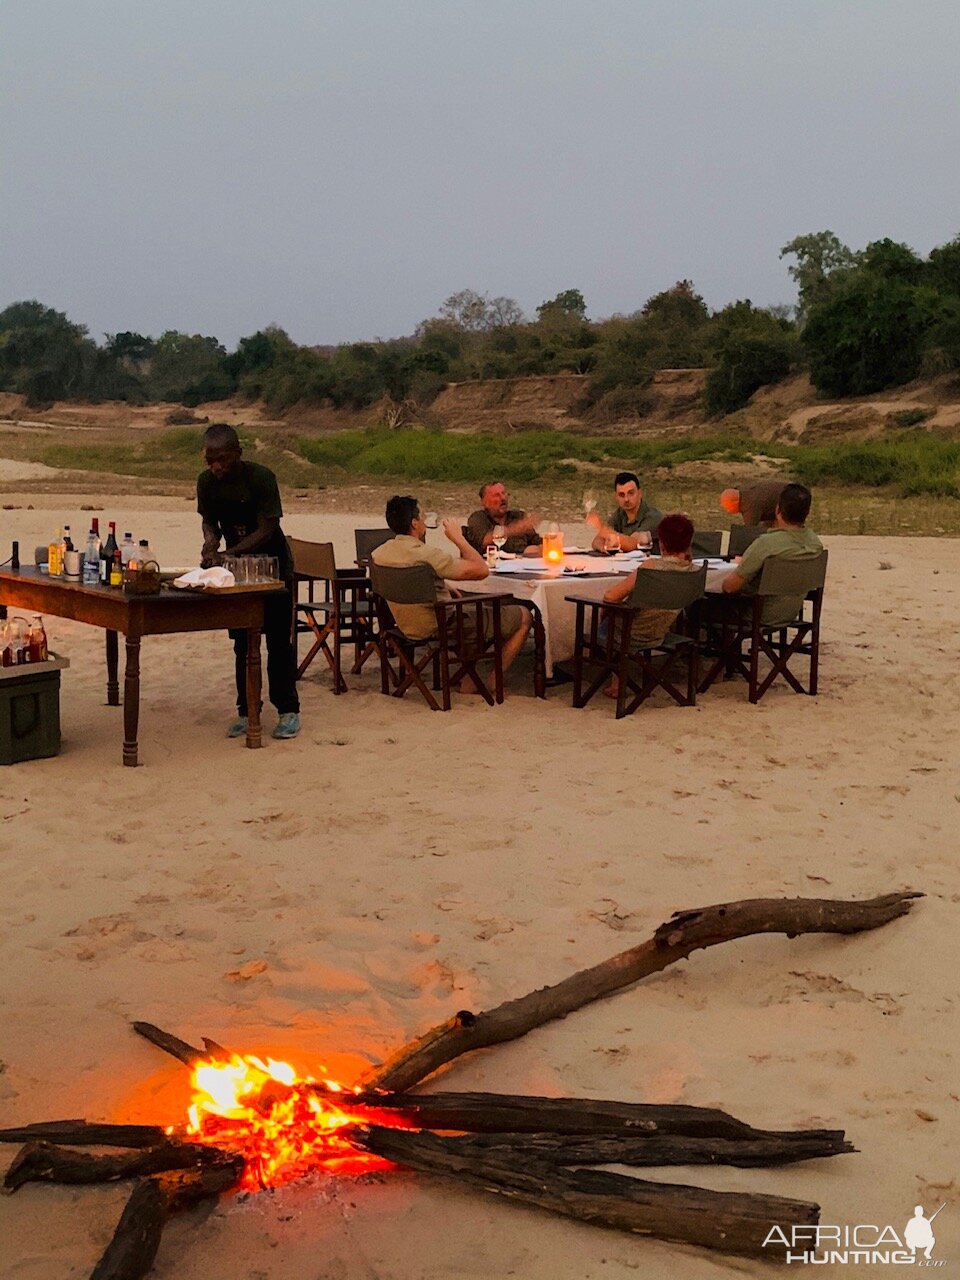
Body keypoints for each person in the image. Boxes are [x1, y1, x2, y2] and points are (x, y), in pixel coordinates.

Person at [197, 423, 301, 740]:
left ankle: (287, 710)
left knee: (278, 644)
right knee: (242, 644)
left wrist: (231, 552)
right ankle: (247, 709)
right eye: (210, 461)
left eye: (223, 460)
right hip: (236, 571)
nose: (216, 467)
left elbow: (268, 527)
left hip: (274, 567)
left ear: (238, 454)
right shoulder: (205, 483)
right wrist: (210, 543)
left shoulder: (262, 478)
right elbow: (208, 521)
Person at [372, 495, 532, 693]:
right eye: (422, 517)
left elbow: (408, 577)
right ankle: (493, 679)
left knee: (473, 611)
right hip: (441, 626)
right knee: (524, 615)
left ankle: (469, 679)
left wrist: (441, 584)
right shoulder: (427, 555)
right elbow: (481, 570)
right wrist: (459, 538)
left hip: (405, 624)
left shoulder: (380, 554)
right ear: (414, 523)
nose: (424, 521)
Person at [598, 512, 700, 698]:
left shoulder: (650, 568)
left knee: (611, 614)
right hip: (661, 631)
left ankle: (616, 680)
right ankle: (617, 681)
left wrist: (604, 612)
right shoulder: (692, 570)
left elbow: (611, 596)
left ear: (661, 542)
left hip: (630, 634)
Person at [721, 483, 823, 625]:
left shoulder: (767, 544)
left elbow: (729, 587)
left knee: (703, 605)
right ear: (806, 512)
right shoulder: (815, 543)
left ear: (778, 510)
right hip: (791, 612)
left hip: (758, 614)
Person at [587, 472, 662, 551]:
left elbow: (633, 544)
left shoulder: (652, 517)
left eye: (631, 493)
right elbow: (596, 541)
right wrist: (605, 548)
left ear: (639, 493)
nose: (626, 499)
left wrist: (602, 528)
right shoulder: (620, 513)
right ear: (616, 497)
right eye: (621, 495)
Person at [466, 482, 542, 557]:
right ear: (484, 502)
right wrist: (517, 528)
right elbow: (483, 540)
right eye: (496, 495)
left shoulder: (518, 516)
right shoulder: (478, 518)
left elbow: (538, 542)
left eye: (504, 494)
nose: (503, 498)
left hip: (522, 565)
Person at [720, 480, 787, 527]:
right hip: (786, 490)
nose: (727, 510)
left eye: (727, 506)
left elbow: (749, 530)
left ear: (734, 503)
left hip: (789, 503)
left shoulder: (750, 507)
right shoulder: (746, 490)